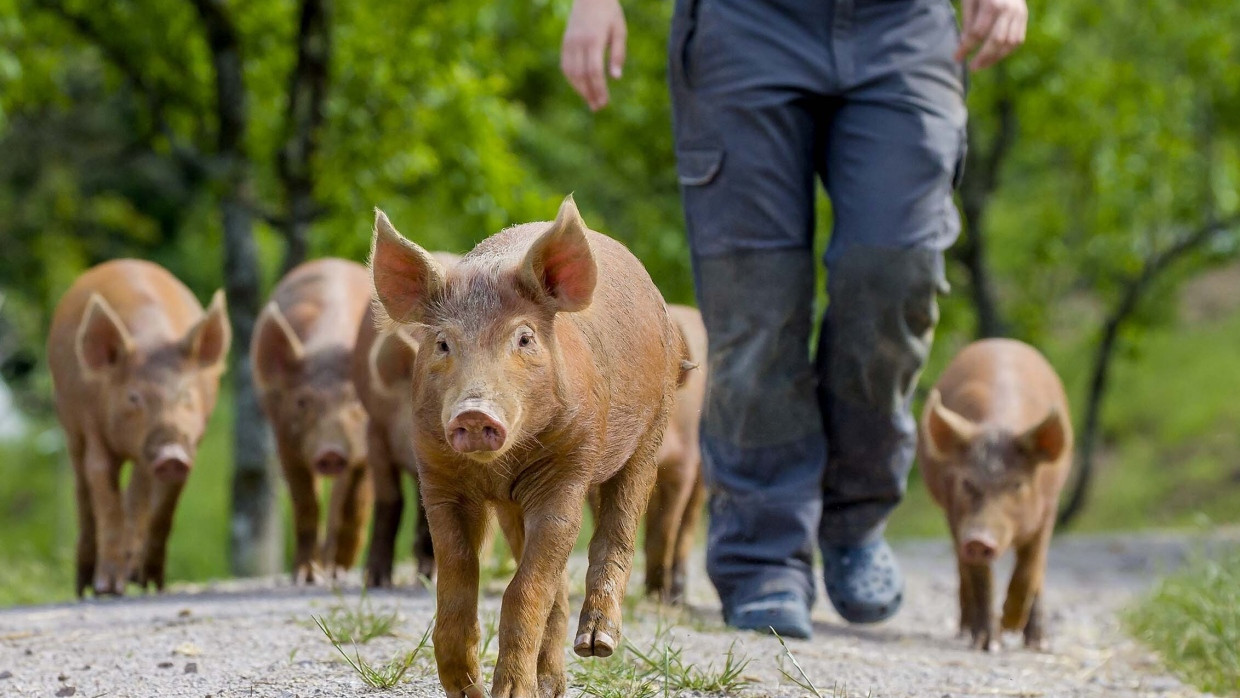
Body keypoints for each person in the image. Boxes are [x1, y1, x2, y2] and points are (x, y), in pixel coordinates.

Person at [561, 0, 1027, 638]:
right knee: (755, 302)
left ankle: (854, 512)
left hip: (904, 26)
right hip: (746, 25)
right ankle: (763, 550)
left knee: (895, 273)